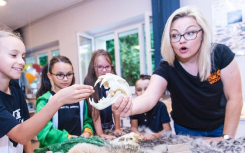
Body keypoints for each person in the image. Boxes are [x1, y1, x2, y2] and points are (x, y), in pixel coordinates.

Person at [113, 6, 242, 141]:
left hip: (218, 128)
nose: (182, 40)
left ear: (202, 33)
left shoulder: (220, 54)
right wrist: (128, 107)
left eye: (190, 33)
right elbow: (149, 98)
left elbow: (234, 98)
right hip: (184, 131)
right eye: (175, 35)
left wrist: (227, 138)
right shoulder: (167, 66)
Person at [36, 56, 94, 147]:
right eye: (60, 75)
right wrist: (69, 138)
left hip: (79, 148)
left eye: (69, 74)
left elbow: (87, 121)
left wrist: (87, 132)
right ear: (49, 76)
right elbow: (44, 132)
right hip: (53, 151)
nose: (65, 79)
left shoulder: (80, 98)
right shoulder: (44, 100)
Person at [84, 49, 124, 139]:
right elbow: (94, 110)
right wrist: (100, 134)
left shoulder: (113, 81)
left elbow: (115, 107)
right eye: (100, 67)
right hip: (96, 127)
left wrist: (117, 128)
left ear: (111, 66)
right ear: (93, 67)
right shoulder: (90, 83)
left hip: (110, 125)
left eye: (107, 67)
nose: (104, 70)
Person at [130, 75, 171, 139]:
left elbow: (167, 129)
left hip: (160, 140)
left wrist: (155, 136)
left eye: (146, 89)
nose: (143, 92)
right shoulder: (134, 107)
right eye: (139, 90)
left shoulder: (161, 106)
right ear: (135, 92)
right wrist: (137, 134)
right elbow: (133, 127)